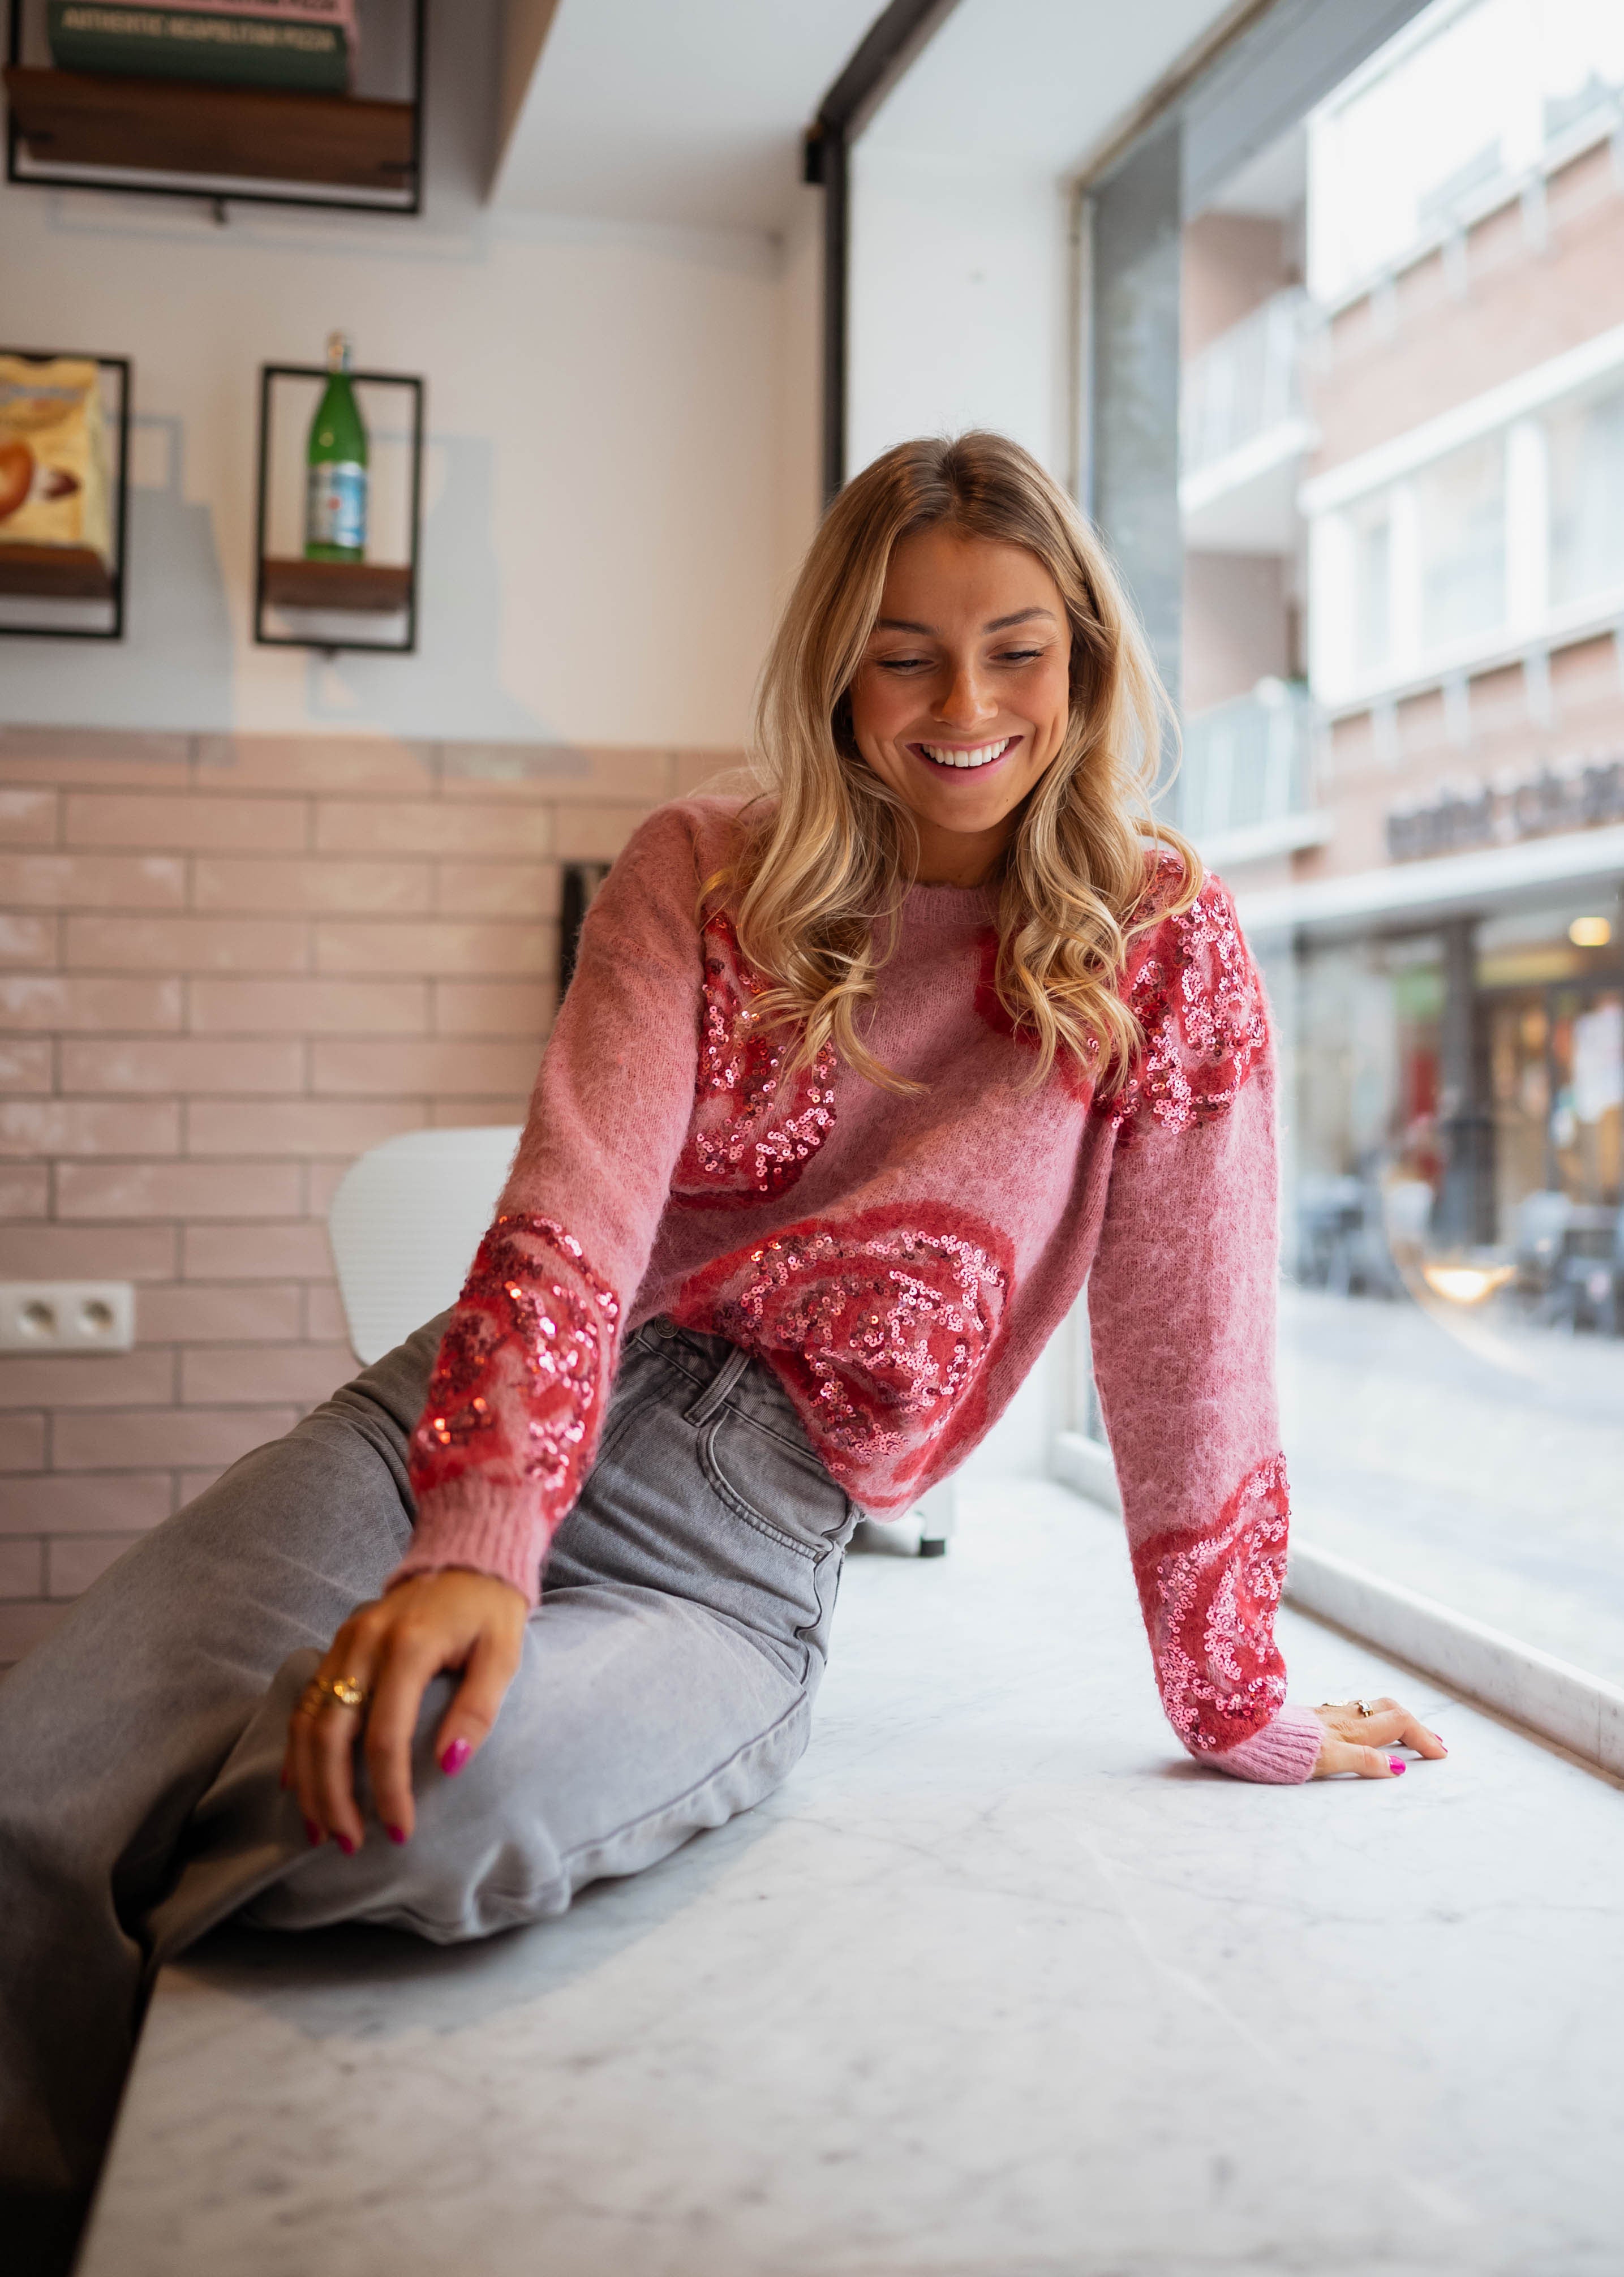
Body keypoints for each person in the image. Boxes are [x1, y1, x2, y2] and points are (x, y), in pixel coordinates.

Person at [0, 432, 1445, 2270]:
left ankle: (113, 1985)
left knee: (425, 1821)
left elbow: (1193, 1348)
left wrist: (1235, 1700)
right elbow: (577, 1203)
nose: (965, 703)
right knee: (34, 1784)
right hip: (447, 1438)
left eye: (1017, 646)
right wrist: (476, 1549)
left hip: (733, 1558)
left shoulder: (1165, 949)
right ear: (838, 665)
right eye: (905, 649)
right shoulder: (697, 868)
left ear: (1083, 658)